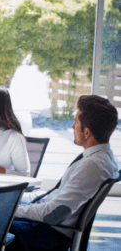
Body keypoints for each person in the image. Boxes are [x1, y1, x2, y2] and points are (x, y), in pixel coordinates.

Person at [8, 95, 119, 251]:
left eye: (76, 122)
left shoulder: (92, 166)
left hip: (47, 235)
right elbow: (57, 198)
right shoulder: (102, 158)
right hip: (47, 229)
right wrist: (18, 200)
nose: (72, 127)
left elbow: (52, 214)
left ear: (87, 132)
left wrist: (11, 209)